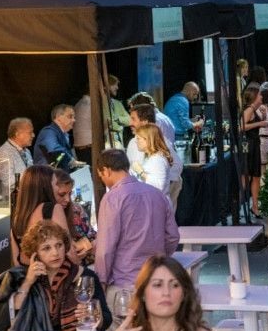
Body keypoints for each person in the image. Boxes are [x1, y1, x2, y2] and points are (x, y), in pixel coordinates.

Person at [95, 149, 179, 314]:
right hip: (155, 279)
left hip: (124, 284)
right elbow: (172, 237)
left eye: (101, 175)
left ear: (106, 170)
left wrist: (102, 282)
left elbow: (105, 248)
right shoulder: (156, 194)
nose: (102, 179)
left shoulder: (112, 198)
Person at [105, 255, 228, 331]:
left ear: (184, 294)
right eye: (157, 285)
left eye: (174, 285)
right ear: (142, 293)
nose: (166, 292)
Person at [4, 220, 110, 331]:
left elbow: (107, 319)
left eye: (59, 245)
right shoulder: (31, 279)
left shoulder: (85, 276)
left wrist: (93, 316)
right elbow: (16, 316)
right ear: (35, 254)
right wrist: (28, 281)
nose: (55, 253)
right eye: (46, 248)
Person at [10, 165, 75, 267]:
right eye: (55, 183)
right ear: (46, 186)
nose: (58, 188)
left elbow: (16, 261)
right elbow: (70, 253)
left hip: (29, 277)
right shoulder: (52, 208)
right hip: (53, 278)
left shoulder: (17, 217)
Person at [125, 102, 183, 211]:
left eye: (133, 119)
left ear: (145, 122)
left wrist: (163, 179)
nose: (130, 123)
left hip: (156, 202)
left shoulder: (161, 146)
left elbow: (177, 167)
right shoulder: (133, 143)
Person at [52, 169, 96, 264]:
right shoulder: (45, 215)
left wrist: (86, 247)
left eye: (70, 194)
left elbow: (92, 236)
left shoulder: (76, 209)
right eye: (62, 195)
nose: (67, 199)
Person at [241, 88, 267, 218]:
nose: (262, 98)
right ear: (255, 97)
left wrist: (263, 117)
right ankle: (241, 205)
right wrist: (260, 123)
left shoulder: (254, 109)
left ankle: (255, 206)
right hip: (249, 146)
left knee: (256, 176)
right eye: (260, 95)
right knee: (247, 176)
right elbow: (242, 126)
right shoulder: (249, 109)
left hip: (254, 145)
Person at [0, 117, 34, 201]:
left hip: (27, 199)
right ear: (17, 134)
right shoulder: (3, 153)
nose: (33, 135)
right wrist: (34, 177)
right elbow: (8, 183)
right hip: (12, 204)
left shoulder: (27, 151)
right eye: (30, 132)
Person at [33, 104, 81, 169]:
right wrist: (72, 161)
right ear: (58, 118)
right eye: (70, 116)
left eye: (74, 117)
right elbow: (54, 149)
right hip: (46, 175)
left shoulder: (64, 134)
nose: (74, 120)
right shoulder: (48, 131)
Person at [132, 124, 173, 199]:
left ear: (148, 139)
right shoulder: (151, 157)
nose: (136, 141)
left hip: (158, 203)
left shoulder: (158, 159)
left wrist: (141, 172)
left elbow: (159, 186)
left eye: (138, 138)